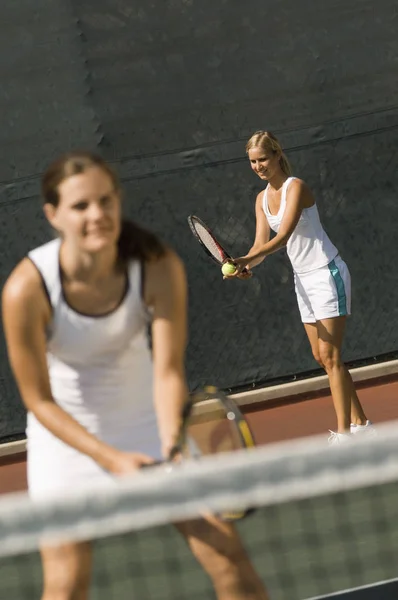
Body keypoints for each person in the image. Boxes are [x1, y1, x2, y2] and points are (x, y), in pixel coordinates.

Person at [2, 152, 268, 600]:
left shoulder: (156, 265)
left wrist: (170, 442)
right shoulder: (26, 289)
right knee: (66, 585)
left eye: (106, 201)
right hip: (66, 441)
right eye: (81, 206)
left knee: (229, 561)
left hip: (148, 425)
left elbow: (166, 370)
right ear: (53, 215)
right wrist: (111, 460)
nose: (97, 214)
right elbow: (38, 400)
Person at [225, 130, 374, 445]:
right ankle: (361, 423)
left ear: (278, 155)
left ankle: (345, 434)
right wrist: (246, 266)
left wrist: (247, 257)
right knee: (321, 358)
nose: (258, 166)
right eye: (252, 161)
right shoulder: (261, 199)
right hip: (302, 279)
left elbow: (281, 239)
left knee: (330, 355)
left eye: (263, 159)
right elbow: (260, 245)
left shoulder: (297, 188)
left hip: (326, 272)